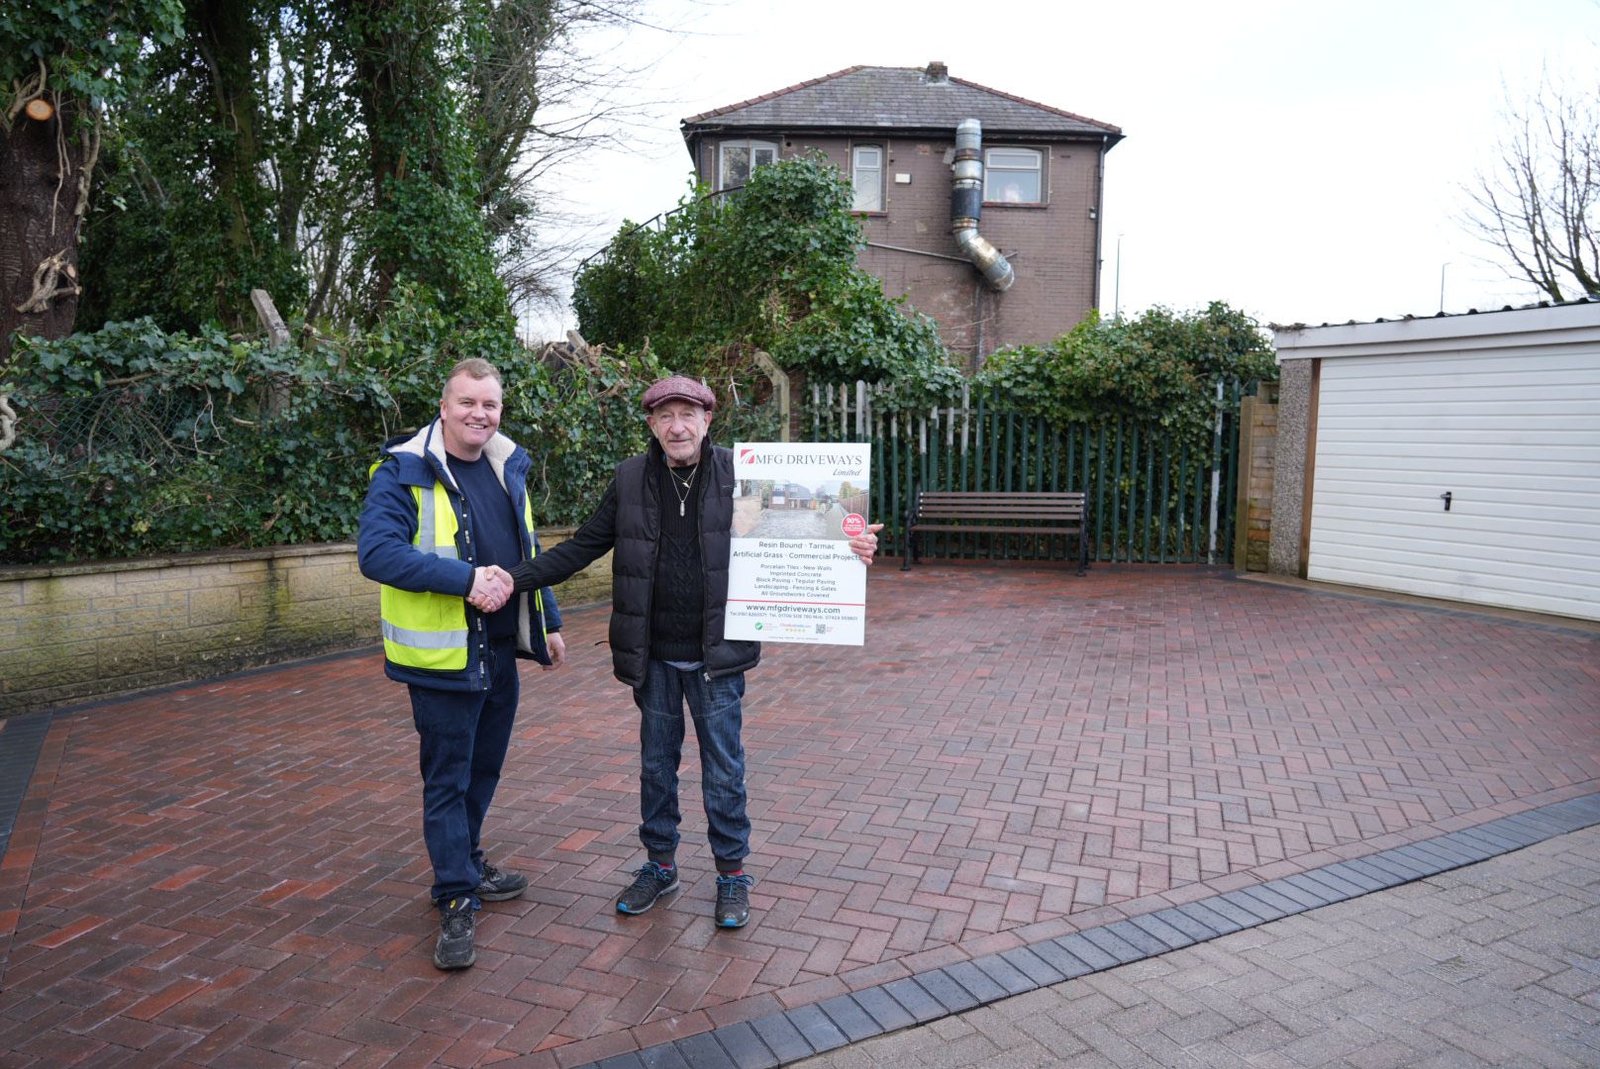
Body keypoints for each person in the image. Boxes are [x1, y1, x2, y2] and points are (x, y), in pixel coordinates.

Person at [480, 375, 881, 929]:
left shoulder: (743, 475)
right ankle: (660, 865)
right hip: (655, 657)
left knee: (723, 767)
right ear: (651, 424)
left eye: (687, 414)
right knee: (656, 766)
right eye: (665, 416)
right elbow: (581, 547)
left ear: (708, 420)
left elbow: (812, 526)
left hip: (718, 655)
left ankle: (732, 875)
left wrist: (851, 541)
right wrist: (514, 579)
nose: (677, 426)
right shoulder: (629, 479)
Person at [357, 357, 566, 970]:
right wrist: (465, 580)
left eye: (490, 404)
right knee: (447, 778)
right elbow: (378, 553)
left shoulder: (507, 466)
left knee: (483, 770)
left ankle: (467, 863)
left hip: (500, 651)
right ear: (444, 407)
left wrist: (548, 622)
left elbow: (527, 551)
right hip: (443, 660)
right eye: (468, 403)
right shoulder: (403, 472)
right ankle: (453, 896)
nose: (480, 414)